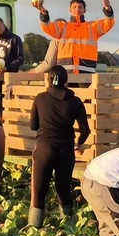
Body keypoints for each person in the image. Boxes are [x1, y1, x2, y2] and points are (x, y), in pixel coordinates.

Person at [29, 65, 91, 227]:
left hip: (44, 149)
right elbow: (85, 130)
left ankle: (34, 226)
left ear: (49, 80)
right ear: (65, 81)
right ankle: (68, 225)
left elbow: (33, 125)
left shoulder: (40, 98)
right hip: (66, 151)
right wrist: (79, 143)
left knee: (38, 190)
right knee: (63, 188)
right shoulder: (75, 102)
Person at [33, 0, 115, 74]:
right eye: (74, 7)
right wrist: (43, 12)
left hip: (87, 72)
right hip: (66, 73)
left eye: (80, 7)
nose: (77, 9)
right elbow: (48, 27)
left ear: (84, 10)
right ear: (70, 10)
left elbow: (107, 24)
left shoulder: (92, 27)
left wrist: (107, 9)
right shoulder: (63, 26)